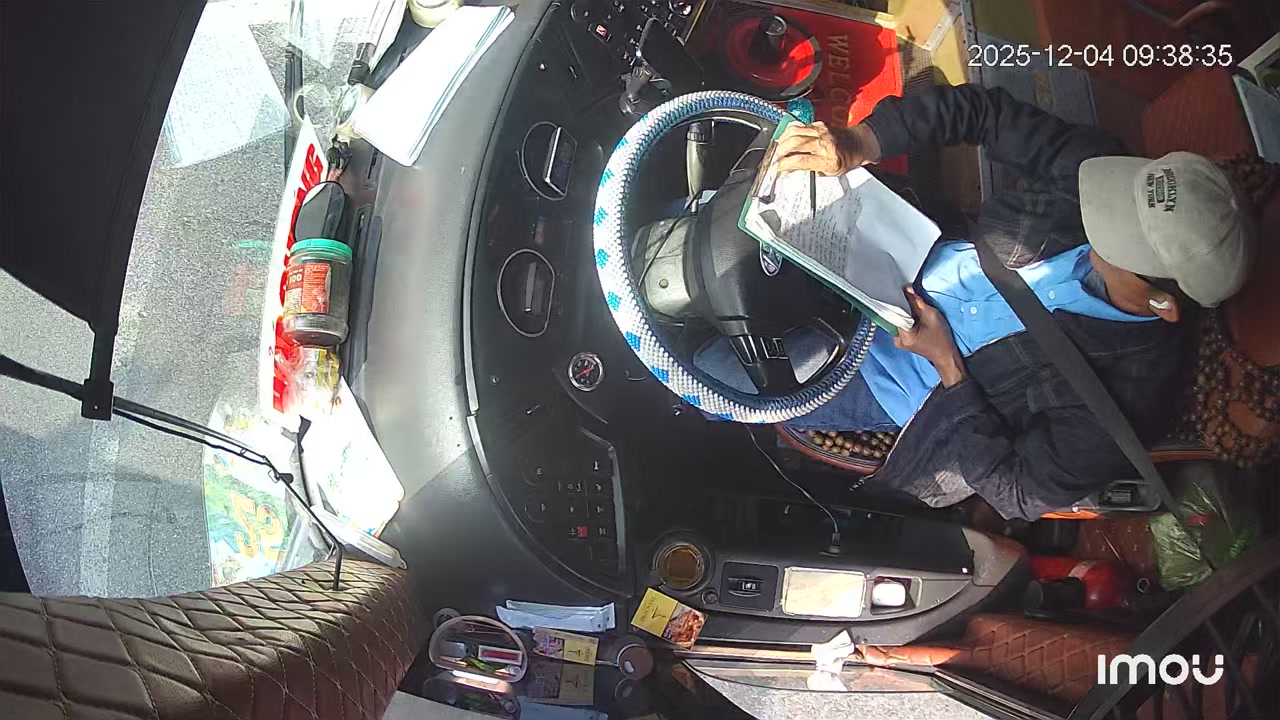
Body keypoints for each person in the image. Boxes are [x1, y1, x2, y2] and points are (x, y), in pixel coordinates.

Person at [701, 83, 1255, 520]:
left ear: (1161, 303)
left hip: (888, 374)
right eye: (1119, 205)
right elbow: (982, 112)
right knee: (708, 234)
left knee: (714, 375)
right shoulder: (1098, 172)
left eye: (1118, 237)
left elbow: (1016, 490)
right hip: (875, 242)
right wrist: (862, 141)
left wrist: (949, 368)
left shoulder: (1123, 404)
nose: (1099, 216)